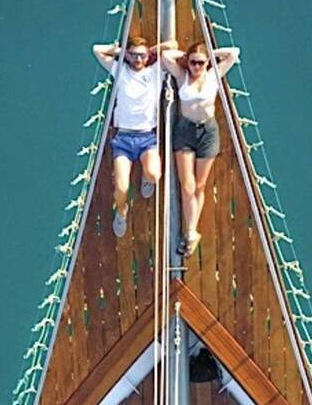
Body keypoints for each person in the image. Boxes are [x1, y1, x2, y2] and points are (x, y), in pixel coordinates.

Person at [92, 36, 178, 237]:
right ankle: (122, 211)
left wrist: (152, 49)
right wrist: (119, 51)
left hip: (147, 137)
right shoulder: (120, 71)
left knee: (154, 174)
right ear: (128, 56)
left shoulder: (155, 72)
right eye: (134, 55)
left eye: (142, 56)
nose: (138, 59)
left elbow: (173, 46)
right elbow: (96, 49)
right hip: (123, 139)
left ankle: (146, 178)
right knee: (121, 188)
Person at [162, 42, 240, 255]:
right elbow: (166, 56)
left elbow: (234, 53)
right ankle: (190, 232)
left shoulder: (213, 75)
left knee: (199, 185)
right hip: (185, 130)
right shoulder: (182, 76)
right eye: (193, 62)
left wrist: (210, 55)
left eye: (200, 63)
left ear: (207, 63)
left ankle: (190, 231)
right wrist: (186, 55)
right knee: (187, 185)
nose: (196, 67)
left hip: (208, 132)